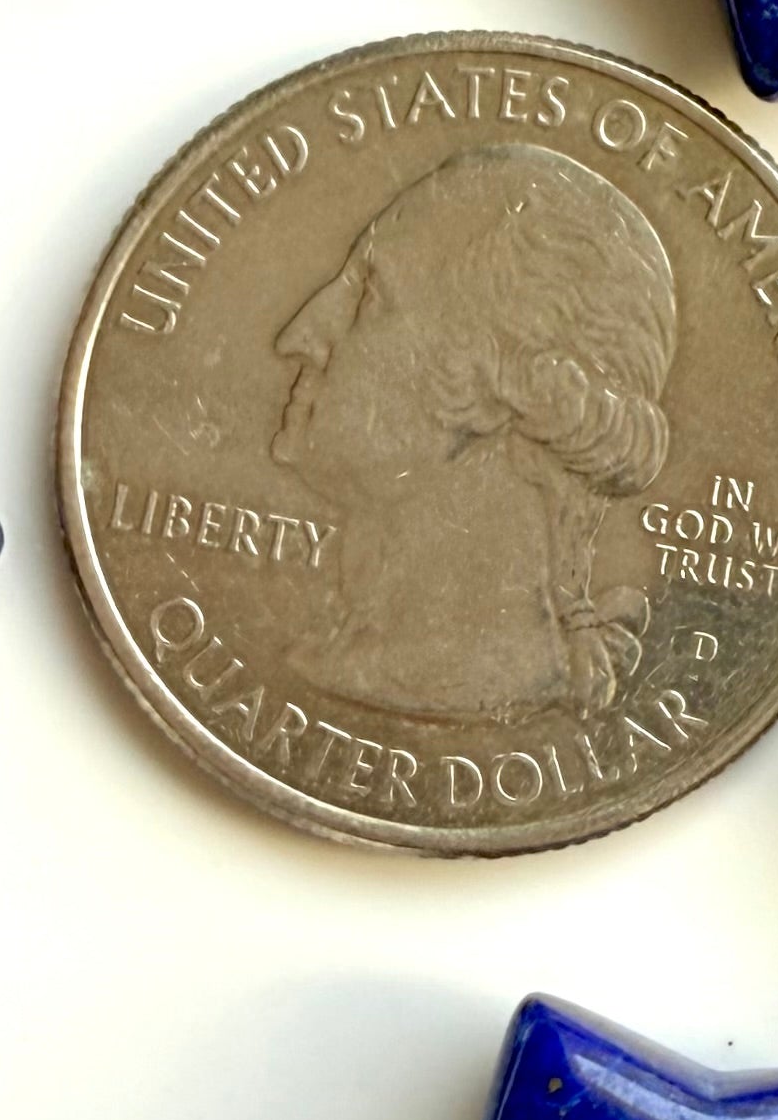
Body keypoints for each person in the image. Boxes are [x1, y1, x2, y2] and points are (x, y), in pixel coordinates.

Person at [271, 142, 677, 719]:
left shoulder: (420, 683)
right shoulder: (334, 658)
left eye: (371, 296)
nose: (297, 335)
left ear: (499, 384)